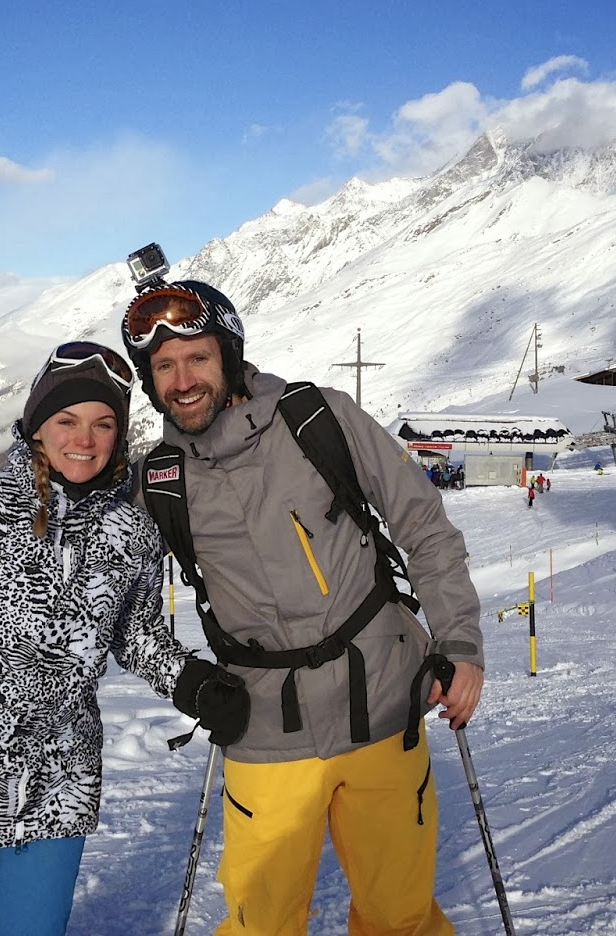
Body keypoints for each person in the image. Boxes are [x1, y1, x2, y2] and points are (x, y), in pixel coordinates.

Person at [119, 278, 484, 936]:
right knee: (260, 926)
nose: (183, 380)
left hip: (382, 707)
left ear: (229, 355)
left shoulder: (320, 420)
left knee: (400, 919)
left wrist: (457, 641)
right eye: (164, 366)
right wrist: (186, 680)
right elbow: (113, 604)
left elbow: (424, 527)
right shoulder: (160, 483)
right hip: (263, 729)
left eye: (197, 357)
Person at [0, 342, 248, 936]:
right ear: (37, 427)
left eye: (103, 424)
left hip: (61, 784)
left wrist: (191, 682)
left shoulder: (132, 533)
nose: (84, 439)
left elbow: (135, 634)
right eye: (67, 420)